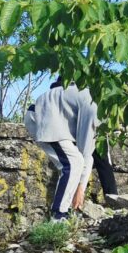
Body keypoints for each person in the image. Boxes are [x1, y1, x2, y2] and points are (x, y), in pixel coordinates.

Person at [25, 83, 99, 220]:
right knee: (73, 163)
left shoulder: (90, 98)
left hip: (51, 116)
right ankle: (58, 216)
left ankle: (63, 211)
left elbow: (88, 156)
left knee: (74, 162)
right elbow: (85, 151)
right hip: (42, 117)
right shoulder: (93, 105)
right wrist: (80, 189)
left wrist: (81, 187)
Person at [49, 77, 117, 196]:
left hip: (86, 126)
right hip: (84, 126)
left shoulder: (59, 94)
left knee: (94, 160)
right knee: (100, 162)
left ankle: (109, 196)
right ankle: (111, 196)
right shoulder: (81, 91)